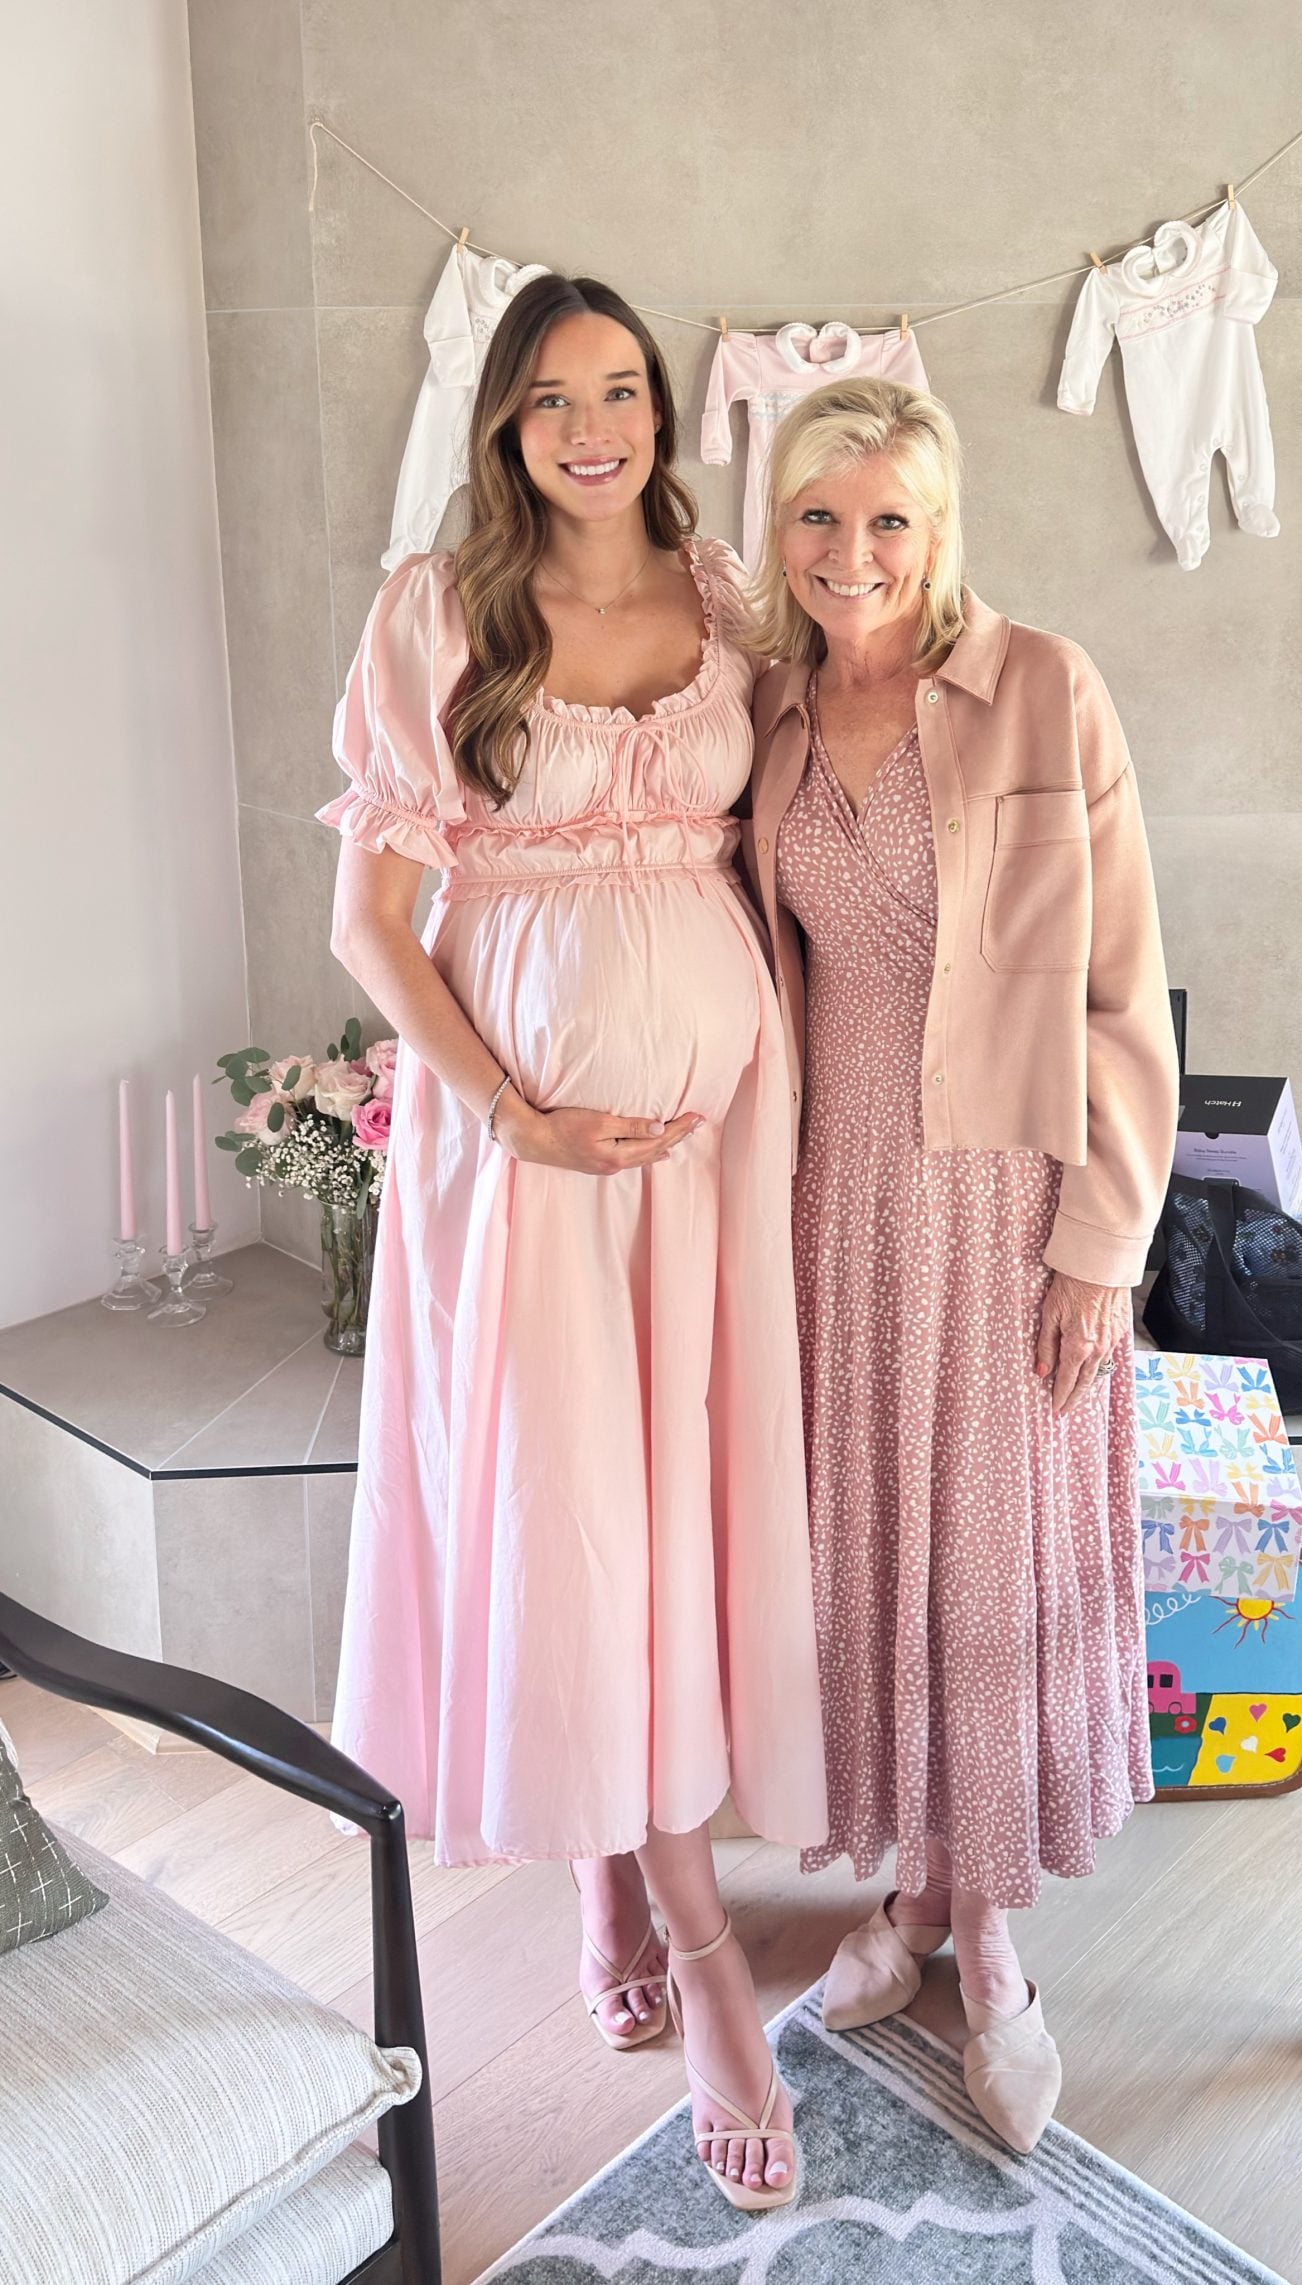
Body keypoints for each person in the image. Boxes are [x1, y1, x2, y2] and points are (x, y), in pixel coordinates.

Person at [322, 273, 826, 2210]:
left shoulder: (717, 596)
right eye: (554, 398)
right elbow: (376, 921)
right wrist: (513, 1108)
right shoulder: (437, 608)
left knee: (670, 1502)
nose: (593, 427)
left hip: (717, 1139)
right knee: (573, 1509)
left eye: (620, 391)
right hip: (525, 1144)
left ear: (658, 413)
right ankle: (701, 1964)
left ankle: (619, 1873)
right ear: (505, 424)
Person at [744, 376, 1178, 2154]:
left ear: (941, 530)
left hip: (1006, 1205)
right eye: (818, 519)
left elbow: (1124, 987)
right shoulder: (762, 711)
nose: (855, 553)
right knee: (881, 1566)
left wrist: (1102, 1241)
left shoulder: (1046, 689)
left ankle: (985, 1937)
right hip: (829, 1207)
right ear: (780, 534)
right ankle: (912, 1894)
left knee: (987, 1577)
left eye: (889, 519)